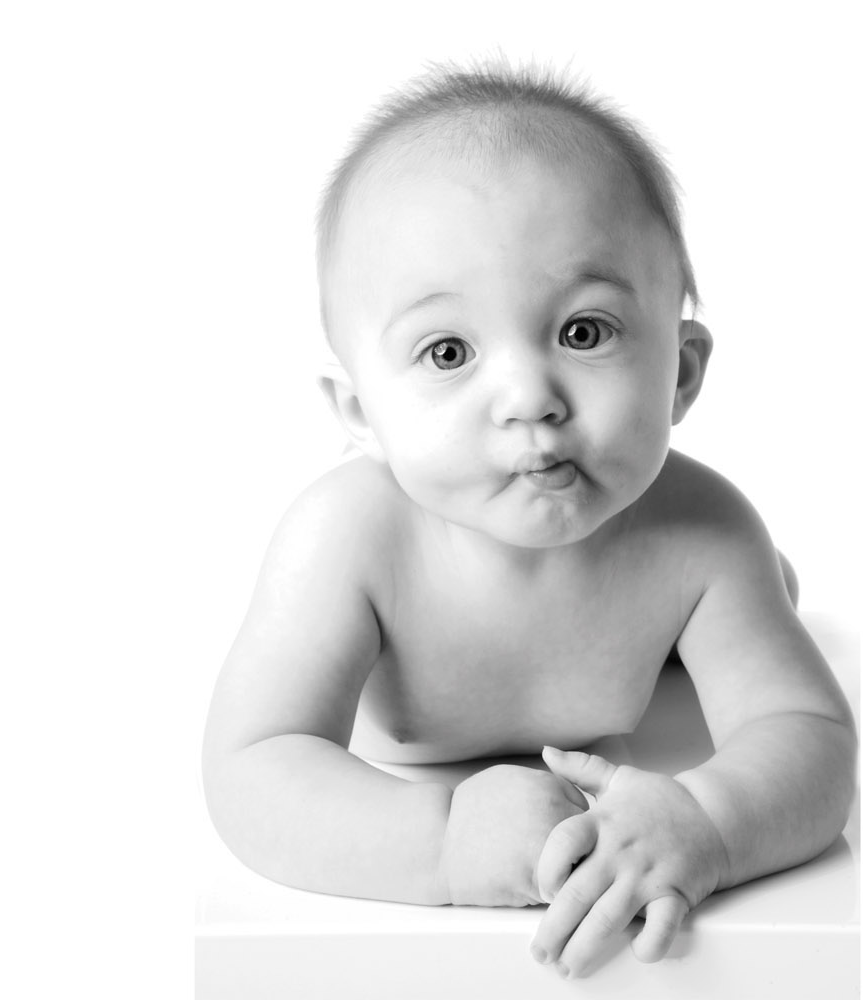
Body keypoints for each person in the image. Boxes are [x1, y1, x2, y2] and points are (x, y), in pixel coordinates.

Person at [200, 60, 856, 980]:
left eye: (584, 331)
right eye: (448, 350)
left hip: (668, 613)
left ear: (681, 373)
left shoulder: (701, 534)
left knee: (755, 585)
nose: (527, 399)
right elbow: (253, 766)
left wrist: (710, 817)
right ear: (359, 415)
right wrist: (440, 841)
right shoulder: (346, 540)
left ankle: (746, 608)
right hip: (438, 741)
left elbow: (812, 736)